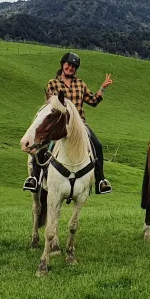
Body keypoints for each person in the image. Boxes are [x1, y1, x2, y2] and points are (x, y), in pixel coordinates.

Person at [23, 52, 114, 194]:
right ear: (62, 65)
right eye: (68, 65)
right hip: (59, 125)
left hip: (80, 126)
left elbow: (93, 101)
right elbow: (52, 104)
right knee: (43, 146)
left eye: (73, 66)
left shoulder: (80, 84)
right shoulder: (53, 83)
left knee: (97, 145)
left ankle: (101, 180)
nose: (70, 68)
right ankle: (34, 178)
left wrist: (102, 88)